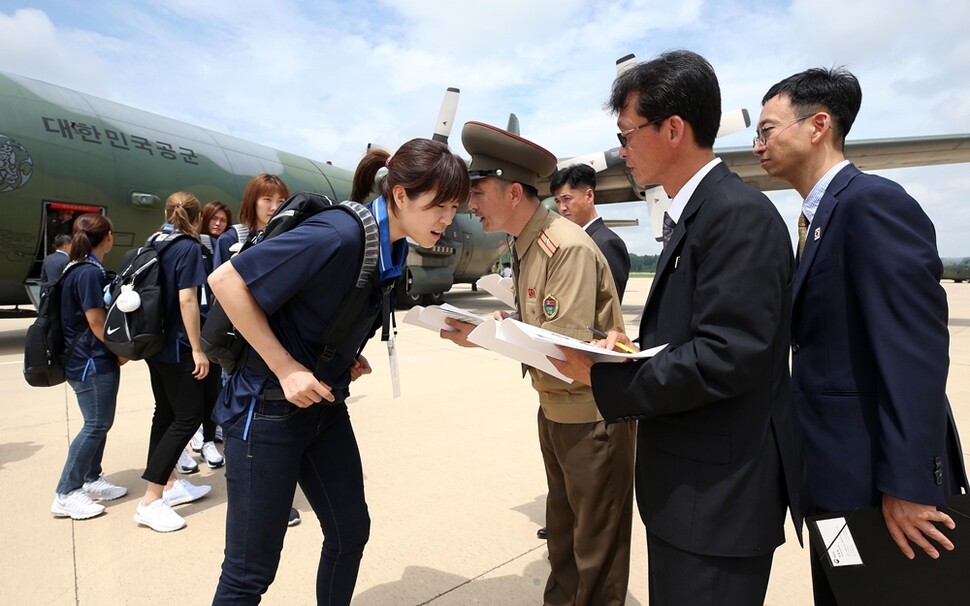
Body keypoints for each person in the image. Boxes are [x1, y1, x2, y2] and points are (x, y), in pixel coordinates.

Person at [550, 50, 808, 606]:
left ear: (672, 129)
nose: (622, 151)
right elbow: (701, 335)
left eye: (628, 133)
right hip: (691, 495)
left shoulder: (736, 216)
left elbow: (726, 355)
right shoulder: (699, 212)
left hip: (717, 502)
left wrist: (602, 378)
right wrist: (628, 350)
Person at [209, 138, 469, 604]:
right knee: (250, 571)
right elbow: (226, 281)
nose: (447, 219)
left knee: (350, 532)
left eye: (454, 207)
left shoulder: (388, 246)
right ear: (400, 195)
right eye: (438, 206)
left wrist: (341, 353)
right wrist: (286, 366)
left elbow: (323, 308)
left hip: (324, 405)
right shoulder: (338, 235)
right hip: (266, 410)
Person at [754, 67, 969, 605]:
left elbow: (914, 353)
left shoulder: (870, 203)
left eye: (767, 129)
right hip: (835, 477)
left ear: (818, 125)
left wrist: (910, 486)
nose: (757, 145)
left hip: (880, 488)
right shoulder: (820, 215)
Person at [441, 121, 635, 606]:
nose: (470, 204)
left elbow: (563, 351)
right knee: (566, 543)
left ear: (511, 192)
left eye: (478, 191)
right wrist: (504, 324)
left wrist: (486, 335)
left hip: (591, 419)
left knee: (597, 553)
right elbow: (543, 329)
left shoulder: (562, 246)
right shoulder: (527, 244)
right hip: (556, 411)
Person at [134, 191, 212, 533]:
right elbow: (188, 299)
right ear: (196, 219)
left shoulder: (153, 243)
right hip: (179, 345)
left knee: (164, 413)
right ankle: (151, 499)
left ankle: (168, 484)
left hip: (154, 343)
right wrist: (197, 348)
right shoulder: (189, 248)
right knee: (188, 416)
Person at [50, 214, 127, 520]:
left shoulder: (78, 268)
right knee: (95, 424)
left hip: (86, 359)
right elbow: (96, 321)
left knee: (99, 422)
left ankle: (91, 477)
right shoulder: (88, 273)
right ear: (107, 236)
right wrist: (119, 351)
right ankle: (67, 491)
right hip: (90, 361)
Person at [184, 201, 232, 470]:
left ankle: (210, 431)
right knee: (192, 390)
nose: (218, 224)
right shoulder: (194, 248)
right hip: (195, 326)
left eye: (223, 220)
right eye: (214, 219)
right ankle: (196, 435)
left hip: (214, 323)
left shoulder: (221, 244)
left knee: (214, 384)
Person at [551, 163, 630, 302]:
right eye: (558, 201)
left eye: (567, 199)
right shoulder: (570, 241)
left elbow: (609, 306)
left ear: (589, 196)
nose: (562, 208)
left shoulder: (607, 243)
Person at [214, 174, 289, 268]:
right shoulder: (231, 239)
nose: (274, 207)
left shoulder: (286, 238)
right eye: (267, 199)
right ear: (252, 201)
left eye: (281, 201)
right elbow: (218, 280)